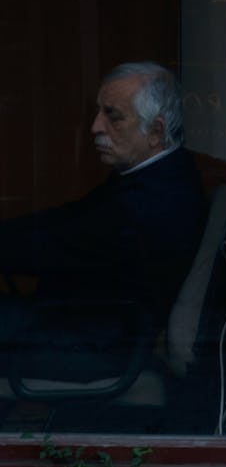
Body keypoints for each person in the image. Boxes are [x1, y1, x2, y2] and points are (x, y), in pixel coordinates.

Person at [0, 61, 208, 386]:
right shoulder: (153, 176)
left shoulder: (152, 199)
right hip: (81, 326)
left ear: (155, 131)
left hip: (94, 347)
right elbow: (66, 221)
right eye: (99, 112)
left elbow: (54, 243)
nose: (96, 126)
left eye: (113, 116)